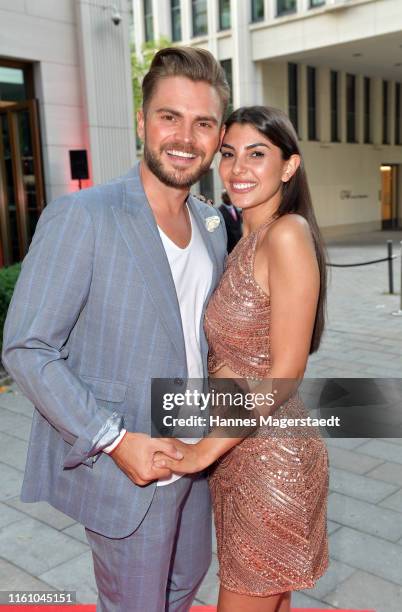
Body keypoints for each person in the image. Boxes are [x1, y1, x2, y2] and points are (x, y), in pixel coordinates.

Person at [1, 47, 229, 612]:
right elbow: (27, 348)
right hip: (126, 469)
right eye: (169, 117)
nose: (184, 136)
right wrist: (113, 439)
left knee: (184, 589)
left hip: (194, 458)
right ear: (142, 122)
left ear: (218, 134)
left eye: (203, 123)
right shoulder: (84, 216)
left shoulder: (210, 222)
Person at [154, 106, 329, 612]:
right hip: (244, 454)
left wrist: (200, 452)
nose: (237, 170)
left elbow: (286, 373)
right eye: (229, 154)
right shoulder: (244, 241)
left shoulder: (286, 234)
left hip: (270, 461)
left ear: (289, 167)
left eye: (257, 154)